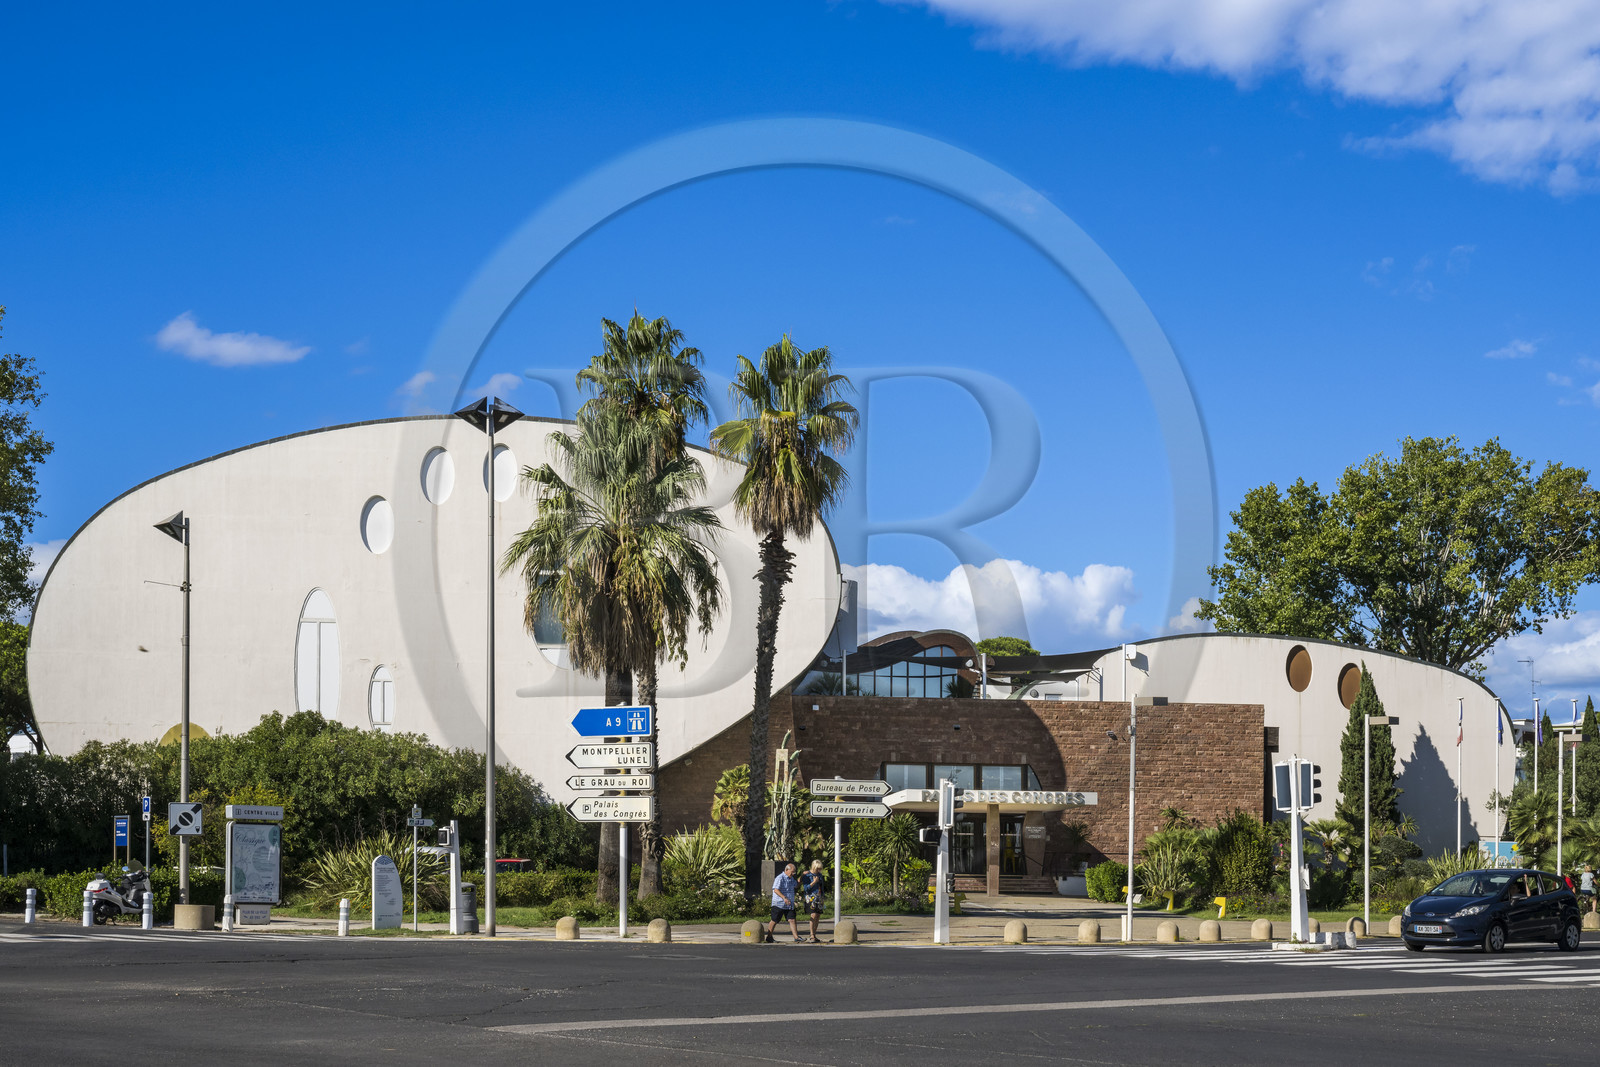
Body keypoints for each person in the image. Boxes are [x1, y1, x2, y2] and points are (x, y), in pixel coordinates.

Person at [765, 861, 800, 943]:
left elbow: (796, 885)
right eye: (792, 872)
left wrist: (802, 877)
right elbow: (776, 890)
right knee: (774, 920)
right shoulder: (780, 878)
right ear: (787, 870)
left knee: (792, 919)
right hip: (779, 903)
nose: (793, 874)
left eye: (794, 872)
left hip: (789, 904)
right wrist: (784, 897)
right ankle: (769, 937)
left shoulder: (791, 879)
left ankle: (796, 937)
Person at [798, 860, 826, 943]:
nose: (819, 870)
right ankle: (811, 934)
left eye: (820, 869)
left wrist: (823, 897)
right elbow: (806, 888)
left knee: (817, 916)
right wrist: (814, 882)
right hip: (810, 897)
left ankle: (815, 933)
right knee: (813, 915)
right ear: (814, 867)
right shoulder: (807, 875)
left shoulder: (820, 875)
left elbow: (821, 887)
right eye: (817, 869)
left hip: (819, 897)